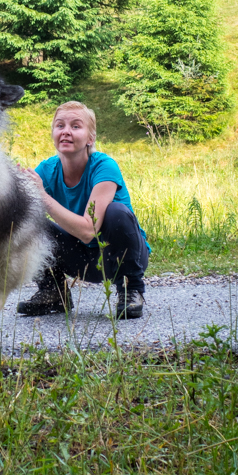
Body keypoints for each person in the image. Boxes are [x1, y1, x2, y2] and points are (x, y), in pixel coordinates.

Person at [17, 101, 150, 319]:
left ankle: (130, 289)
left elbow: (89, 230)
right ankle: (53, 292)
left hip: (118, 255)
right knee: (27, 220)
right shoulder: (47, 170)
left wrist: (42, 196)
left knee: (116, 212)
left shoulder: (104, 166)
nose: (66, 132)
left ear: (90, 138)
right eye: (60, 126)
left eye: (76, 126)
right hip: (79, 259)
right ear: (53, 133)